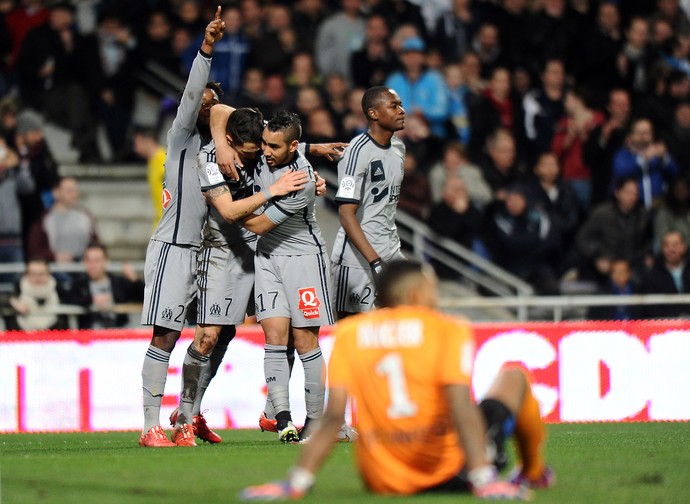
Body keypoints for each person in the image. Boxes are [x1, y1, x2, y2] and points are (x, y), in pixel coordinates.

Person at [240, 259, 553, 501]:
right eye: (433, 288)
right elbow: (461, 407)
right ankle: (533, 472)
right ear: (416, 293)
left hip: (383, 480)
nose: (436, 295)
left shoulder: (351, 334)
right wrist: (482, 478)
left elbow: (333, 417)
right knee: (514, 377)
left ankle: (526, 472)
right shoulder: (446, 328)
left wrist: (294, 483)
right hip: (450, 474)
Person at [138, 8, 307, 449]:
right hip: (176, 245)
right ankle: (149, 424)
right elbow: (197, 96)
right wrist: (207, 49)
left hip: (217, 252)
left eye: (216, 104)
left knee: (221, 333)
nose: (208, 106)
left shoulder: (231, 150)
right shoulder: (180, 139)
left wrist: (315, 150)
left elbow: (262, 132)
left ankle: (188, 415)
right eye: (203, 102)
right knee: (166, 334)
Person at [239, 111, 334, 443]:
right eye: (264, 143)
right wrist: (318, 147)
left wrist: (228, 209)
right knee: (275, 336)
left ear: (291, 146)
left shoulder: (302, 181)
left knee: (306, 340)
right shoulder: (274, 151)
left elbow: (259, 224)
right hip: (267, 258)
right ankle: (282, 419)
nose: (265, 151)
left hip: (304, 260)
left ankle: (317, 421)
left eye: (274, 147)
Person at [331, 86, 406, 319]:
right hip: (357, 261)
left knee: (407, 319)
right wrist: (375, 262)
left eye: (400, 105)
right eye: (394, 106)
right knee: (352, 332)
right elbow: (346, 215)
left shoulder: (399, 148)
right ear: (374, 114)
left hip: (391, 251)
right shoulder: (357, 151)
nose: (402, 111)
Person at [62, 243, 144, 329]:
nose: (92, 265)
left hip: (118, 333)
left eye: (97, 260)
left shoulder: (118, 283)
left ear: (106, 261)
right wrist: (91, 300)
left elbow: (143, 297)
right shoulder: (79, 285)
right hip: (89, 335)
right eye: (89, 260)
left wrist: (135, 280)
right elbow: (68, 300)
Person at [26, 176, 99, 264]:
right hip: (54, 267)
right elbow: (34, 250)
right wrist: (54, 256)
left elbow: (96, 244)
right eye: (69, 191)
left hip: (82, 267)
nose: (74, 194)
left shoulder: (86, 217)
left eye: (75, 190)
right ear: (56, 193)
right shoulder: (43, 220)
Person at [611, 118, 678, 210]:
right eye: (638, 132)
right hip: (634, 207)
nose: (642, 136)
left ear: (652, 135)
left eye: (646, 132)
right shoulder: (623, 154)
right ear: (631, 135)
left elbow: (674, 173)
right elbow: (620, 171)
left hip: (658, 204)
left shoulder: (658, 154)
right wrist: (643, 159)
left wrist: (664, 158)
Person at [638, 230, 690, 318]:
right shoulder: (651, 277)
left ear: (683, 247)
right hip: (665, 327)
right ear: (662, 248)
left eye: (675, 245)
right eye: (667, 245)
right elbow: (651, 309)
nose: (671, 249)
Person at [7, 258, 67, 331]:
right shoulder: (17, 290)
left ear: (49, 274)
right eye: (33, 274)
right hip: (22, 337)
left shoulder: (59, 290)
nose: (38, 278)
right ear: (26, 275)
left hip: (54, 337)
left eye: (41, 274)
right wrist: (13, 303)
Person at [131, 127, 166, 228]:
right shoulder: (151, 163)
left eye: (137, 143)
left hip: (168, 223)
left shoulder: (166, 159)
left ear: (148, 140)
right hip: (160, 222)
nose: (135, 149)